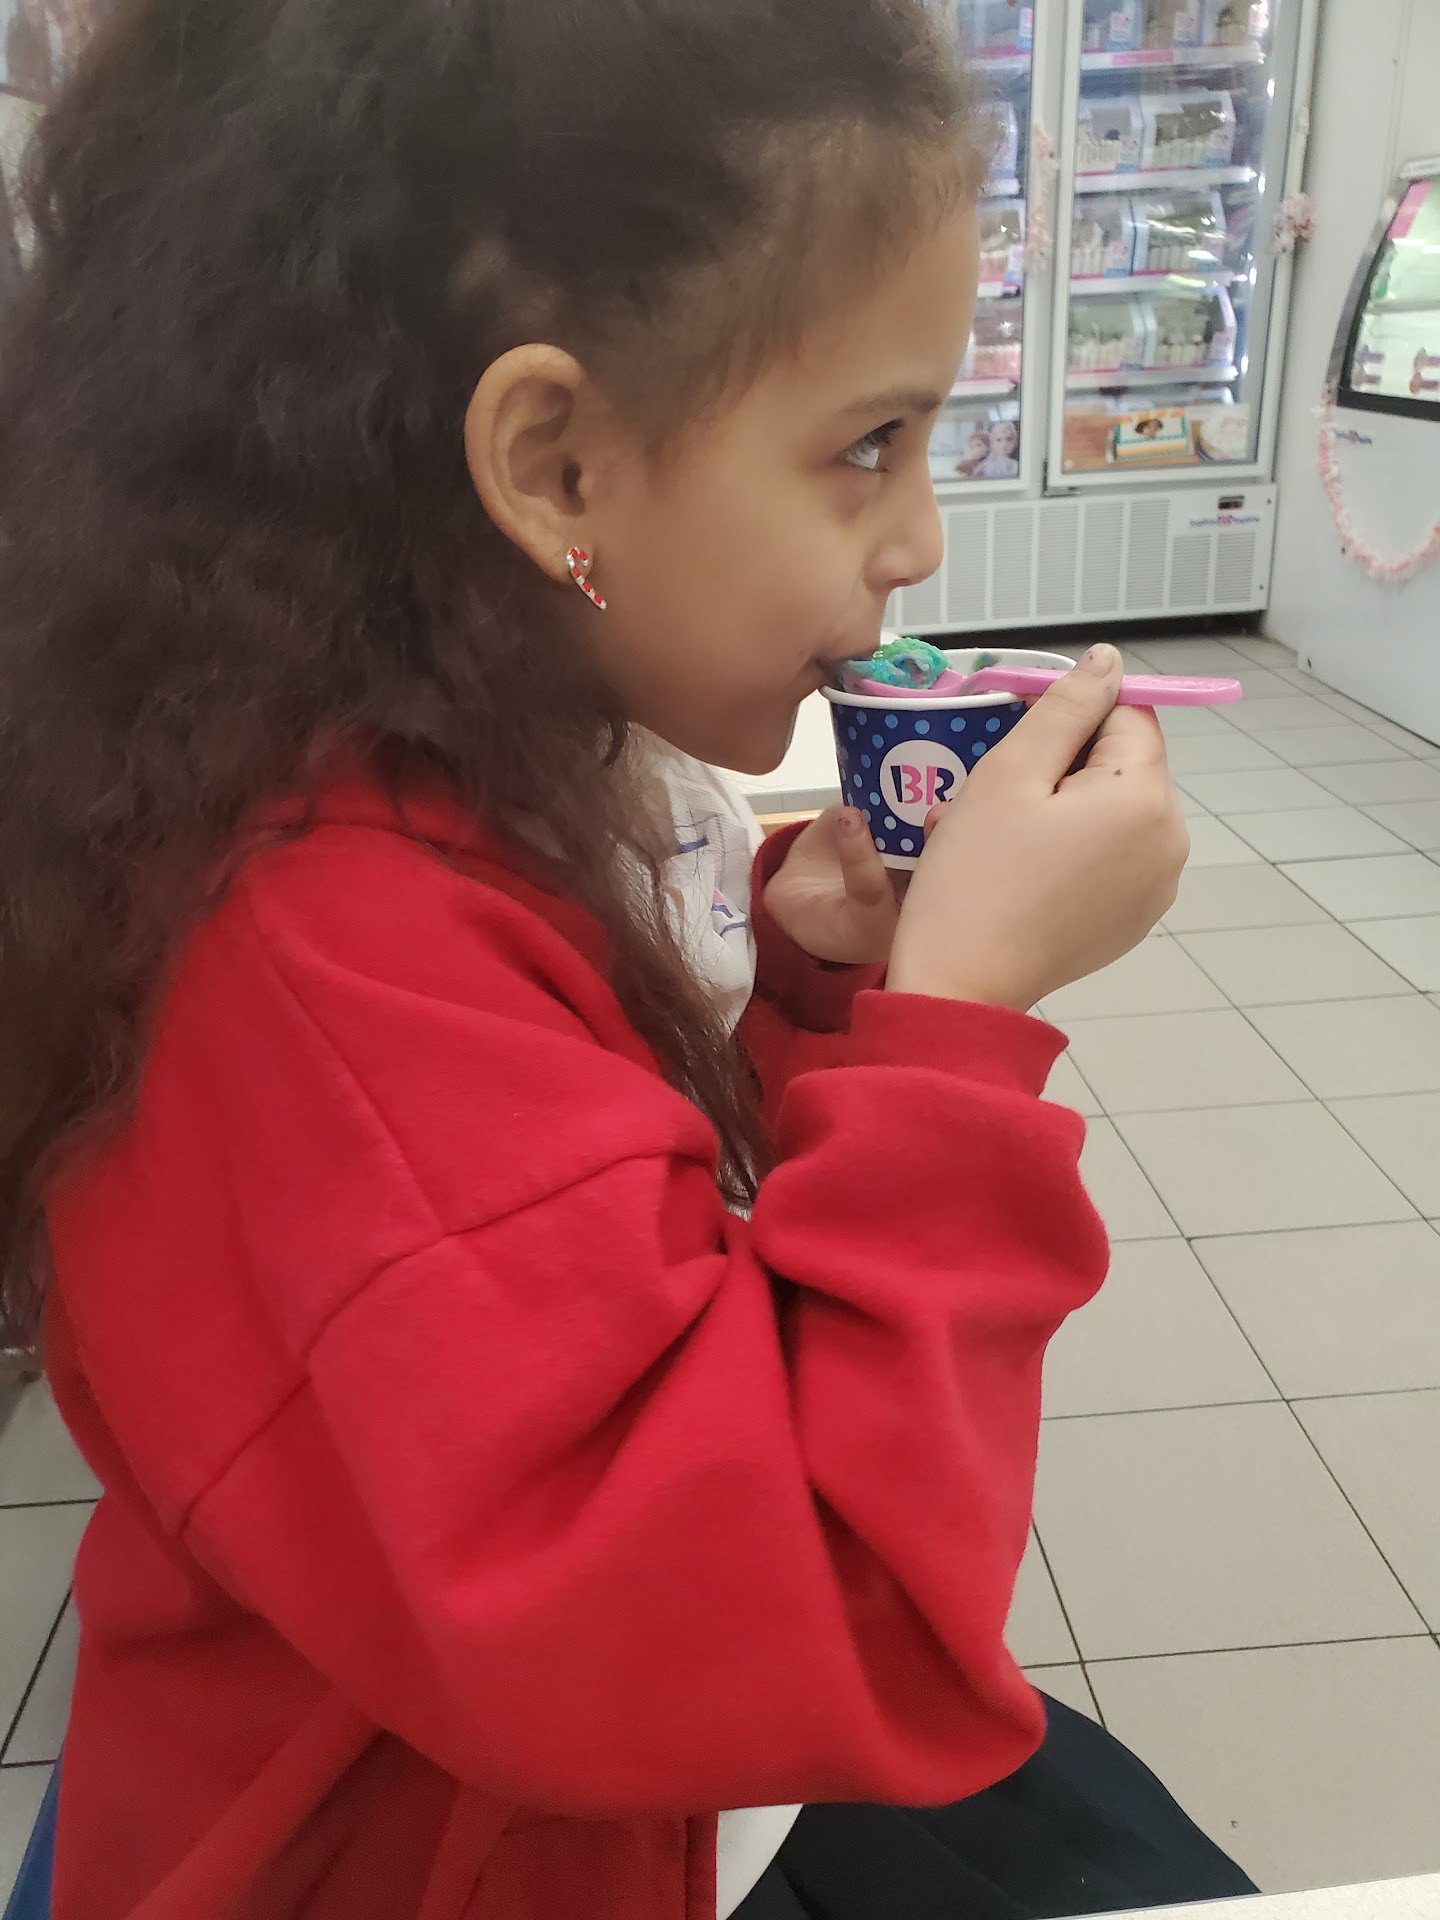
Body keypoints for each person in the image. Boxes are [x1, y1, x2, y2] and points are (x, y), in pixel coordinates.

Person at [0, 3, 1244, 1917]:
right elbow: (786, 1629)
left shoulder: (462, 766)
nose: (918, 541)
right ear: (556, 466)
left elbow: (595, 1262)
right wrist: (955, 1041)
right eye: (868, 446)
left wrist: (806, 986)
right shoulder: (317, 962)